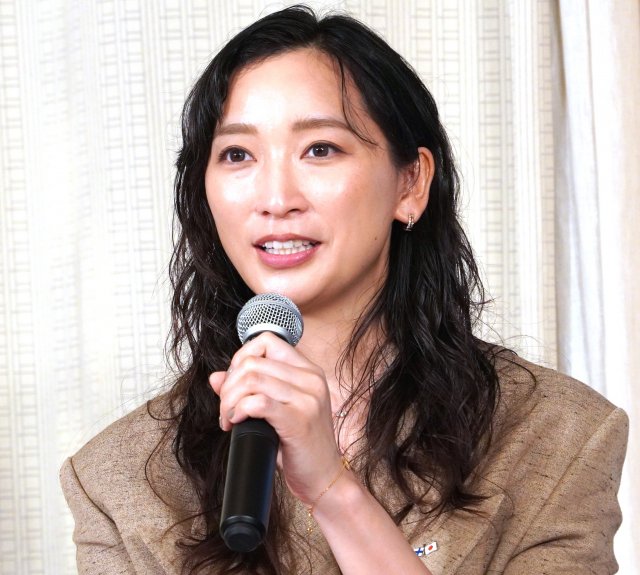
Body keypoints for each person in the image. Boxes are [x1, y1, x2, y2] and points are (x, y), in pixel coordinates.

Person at [60, 5, 628, 574]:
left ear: (410, 183)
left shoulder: (557, 436)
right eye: (237, 155)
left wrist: (333, 489)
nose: (276, 198)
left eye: (320, 149)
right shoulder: (119, 481)